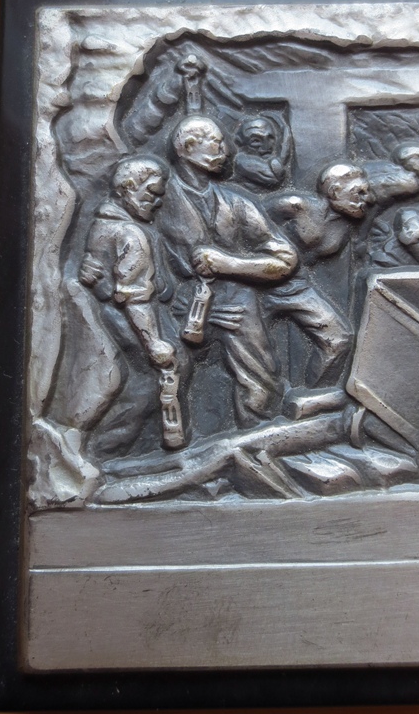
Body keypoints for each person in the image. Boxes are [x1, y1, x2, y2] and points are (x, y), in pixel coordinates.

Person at [158, 115, 298, 427]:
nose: (226, 150)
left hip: (236, 303)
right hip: (177, 306)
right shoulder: (157, 199)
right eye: (216, 143)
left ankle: (256, 442)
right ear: (187, 147)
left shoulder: (235, 202)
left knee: (263, 389)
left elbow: (286, 259)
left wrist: (229, 264)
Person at [79, 155, 187, 457]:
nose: (157, 201)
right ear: (127, 189)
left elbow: (98, 274)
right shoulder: (130, 233)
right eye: (150, 193)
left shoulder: (103, 223)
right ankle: (107, 450)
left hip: (117, 313)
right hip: (129, 317)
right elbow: (134, 297)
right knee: (151, 383)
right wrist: (153, 343)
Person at [265, 162, 372, 388]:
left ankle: (313, 398)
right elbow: (244, 220)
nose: (367, 199)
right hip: (255, 283)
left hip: (296, 286)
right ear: (335, 192)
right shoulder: (295, 205)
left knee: (338, 339)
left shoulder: (344, 227)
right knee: (254, 352)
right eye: (359, 193)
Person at [233, 115, 291, 192]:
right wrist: (285, 146)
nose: (266, 147)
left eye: (270, 138)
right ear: (240, 142)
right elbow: (274, 177)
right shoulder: (242, 160)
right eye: (256, 141)